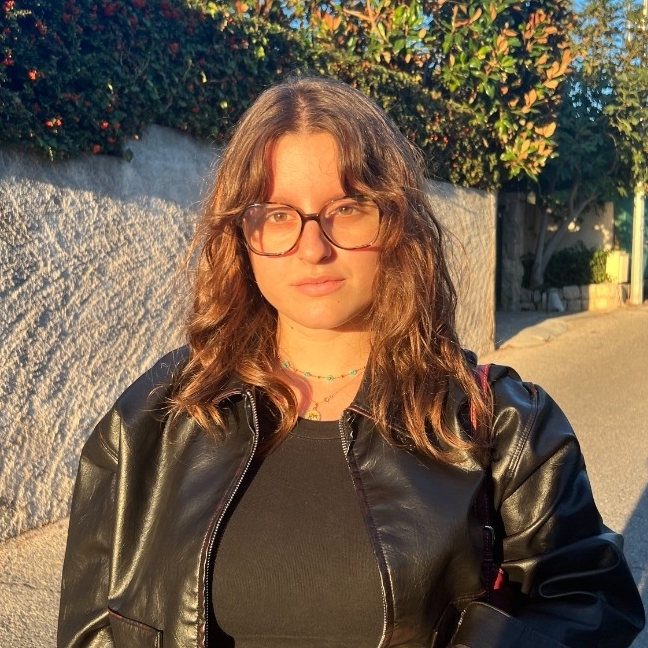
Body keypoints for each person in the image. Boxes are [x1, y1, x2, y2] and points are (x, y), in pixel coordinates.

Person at [57, 75, 645, 648]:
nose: (313, 248)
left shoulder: (505, 428)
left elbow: (589, 602)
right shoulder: (155, 419)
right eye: (278, 214)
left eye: (346, 208)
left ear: (396, 221)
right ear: (241, 235)